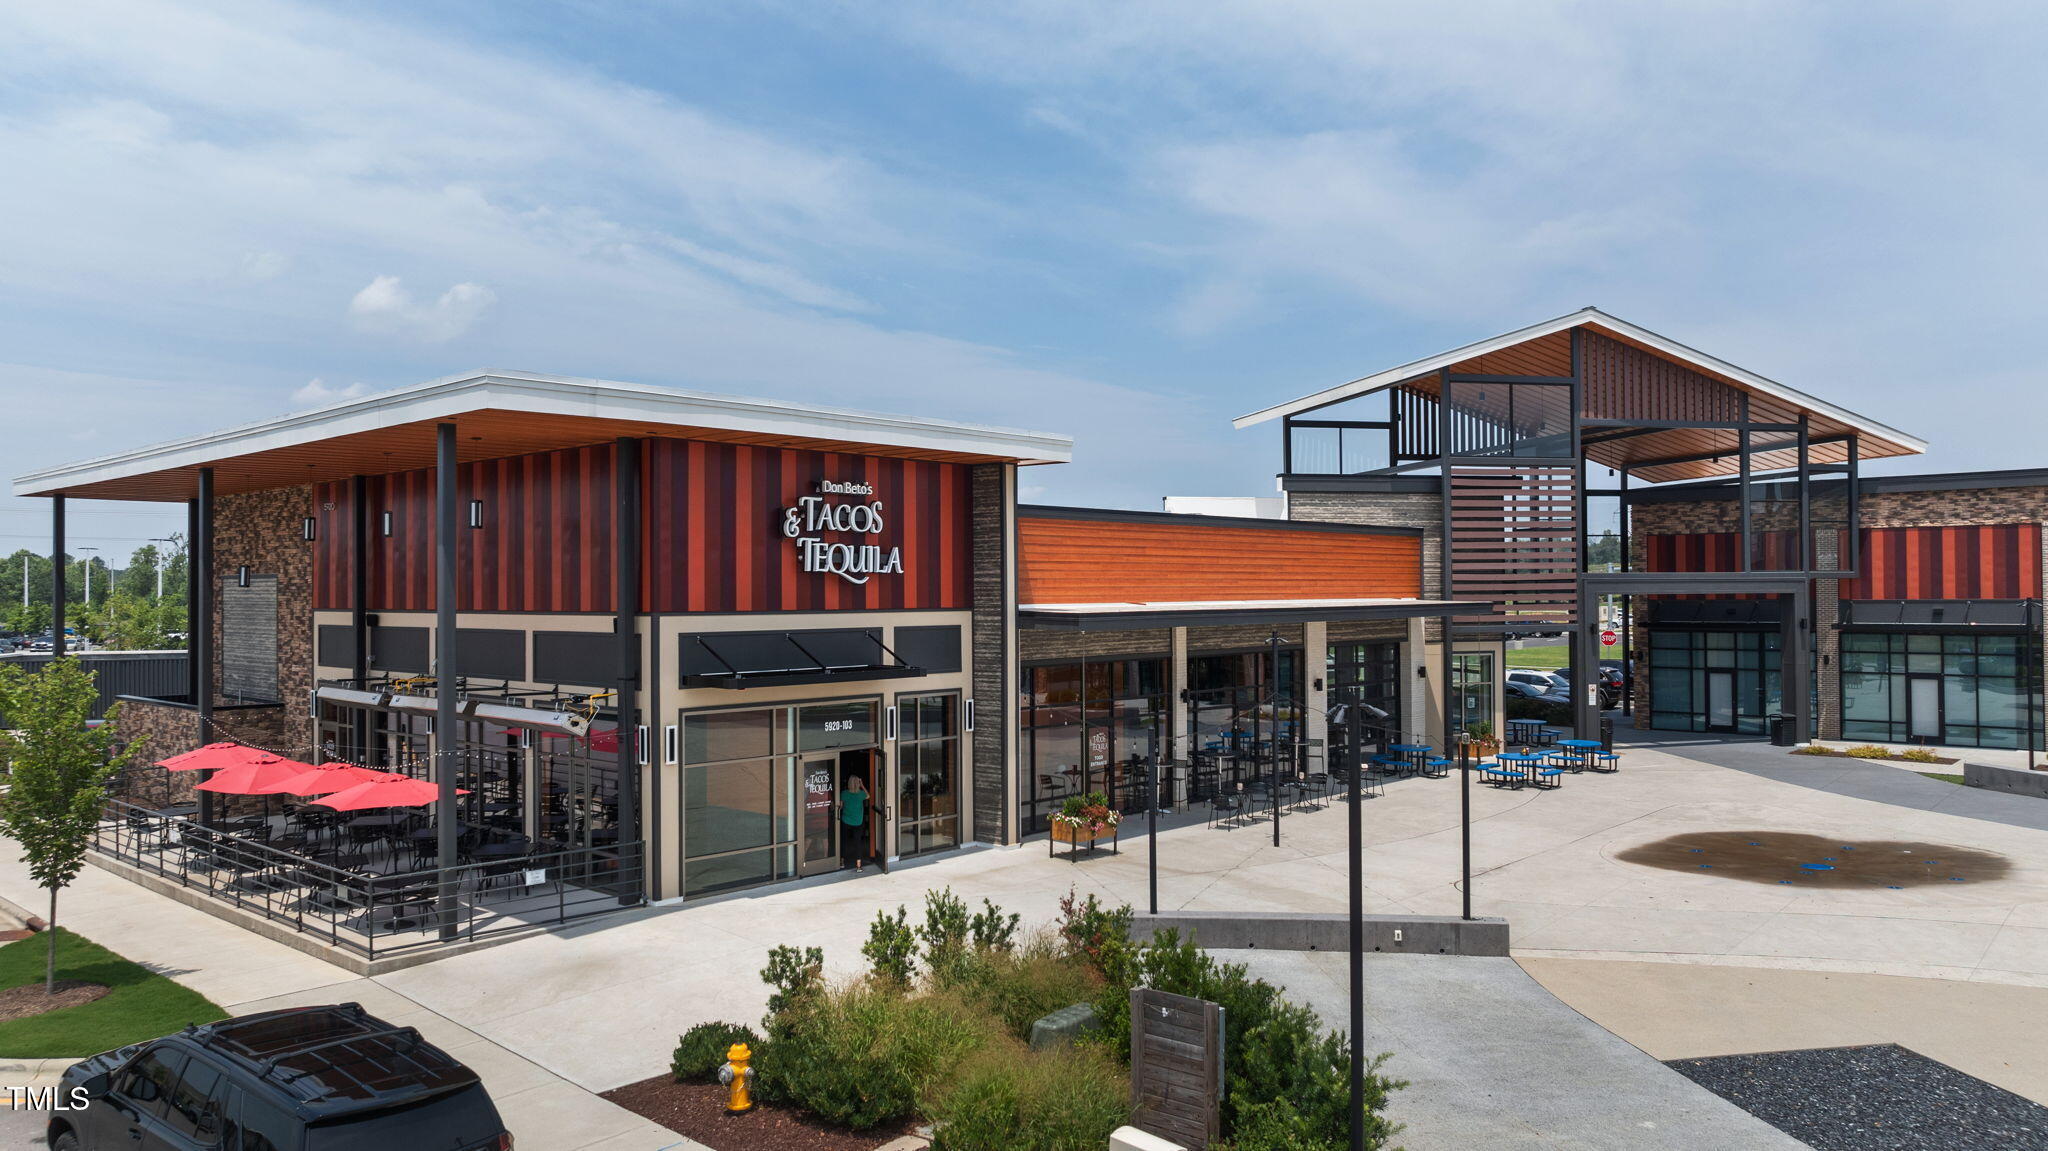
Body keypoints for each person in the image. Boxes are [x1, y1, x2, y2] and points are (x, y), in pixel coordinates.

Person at [839, 774, 870, 872]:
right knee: (858, 843)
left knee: (843, 841)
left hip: (846, 820)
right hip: (858, 821)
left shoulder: (844, 793)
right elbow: (868, 795)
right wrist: (862, 785)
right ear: (858, 784)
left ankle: (841, 862)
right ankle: (858, 866)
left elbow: (840, 806)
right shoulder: (861, 794)